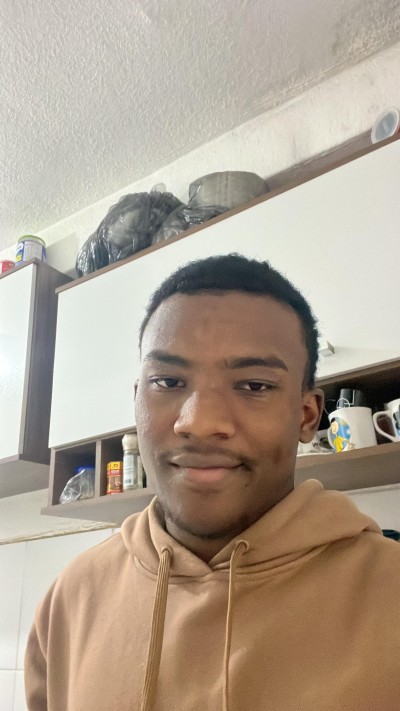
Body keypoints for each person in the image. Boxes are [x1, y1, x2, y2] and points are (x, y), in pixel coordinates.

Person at [25, 254, 400, 711]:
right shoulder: (70, 598)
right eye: (168, 381)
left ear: (307, 416)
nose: (199, 423)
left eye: (254, 386)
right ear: (137, 401)